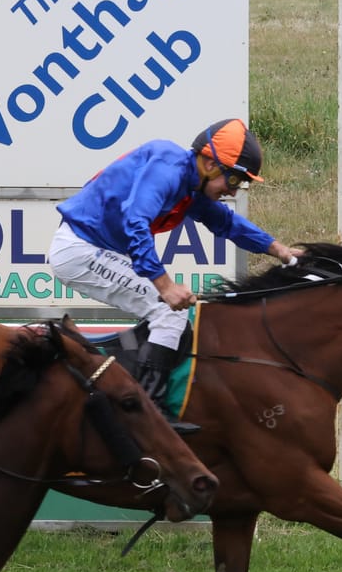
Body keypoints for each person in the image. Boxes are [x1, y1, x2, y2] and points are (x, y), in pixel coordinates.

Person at [49, 118, 299, 426]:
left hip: (90, 249)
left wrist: (278, 249)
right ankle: (149, 416)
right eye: (234, 180)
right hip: (80, 250)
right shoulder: (167, 168)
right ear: (210, 164)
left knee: (170, 316)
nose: (233, 192)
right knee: (168, 311)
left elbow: (226, 222)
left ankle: (130, 391)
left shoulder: (190, 185)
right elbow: (135, 222)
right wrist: (164, 285)